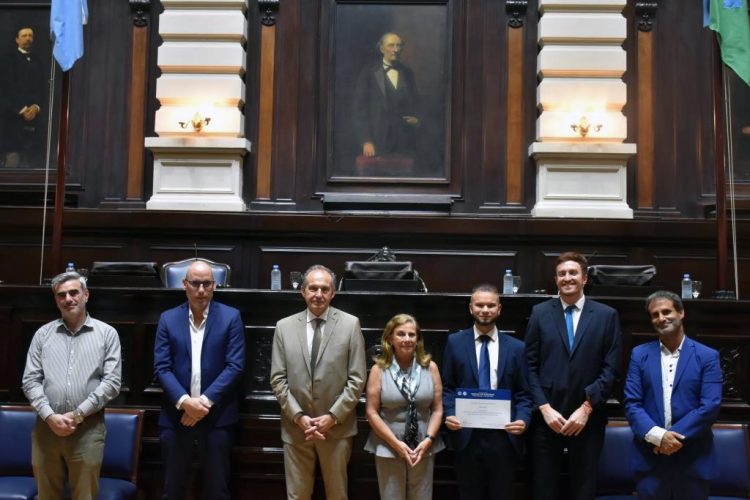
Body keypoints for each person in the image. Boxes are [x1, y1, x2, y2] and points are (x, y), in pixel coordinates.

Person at [524, 251, 622, 500]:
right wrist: (544, 408)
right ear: (556, 280)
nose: (567, 278)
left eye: (572, 273)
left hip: (588, 419)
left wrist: (586, 408)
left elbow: (611, 369)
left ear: (584, 278)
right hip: (547, 419)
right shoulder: (540, 313)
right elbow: (529, 366)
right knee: (543, 489)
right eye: (561, 274)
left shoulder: (606, 315)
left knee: (583, 490)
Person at [22, 271, 122, 499]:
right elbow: (30, 380)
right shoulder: (42, 335)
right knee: (47, 496)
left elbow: (112, 383)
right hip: (46, 429)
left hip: (87, 430)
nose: (68, 299)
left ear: (86, 295)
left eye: (74, 292)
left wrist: (77, 415)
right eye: (61, 295)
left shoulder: (107, 334)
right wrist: (49, 416)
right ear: (56, 300)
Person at [270, 264, 366, 500]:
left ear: (333, 293)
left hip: (336, 429)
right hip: (296, 429)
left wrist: (332, 417)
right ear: (303, 291)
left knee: (337, 495)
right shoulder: (283, 327)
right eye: (313, 288)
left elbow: (357, 379)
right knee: (297, 496)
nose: (318, 294)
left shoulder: (350, 324)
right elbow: (278, 379)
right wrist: (299, 416)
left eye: (325, 289)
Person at [154, 260, 245, 500]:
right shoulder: (168, 319)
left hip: (217, 417)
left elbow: (235, 366)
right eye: (195, 283)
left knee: (217, 490)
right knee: (172, 490)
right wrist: (186, 403)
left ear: (214, 285)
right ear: (184, 284)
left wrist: (201, 404)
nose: (201, 290)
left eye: (207, 284)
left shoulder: (231, 317)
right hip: (176, 418)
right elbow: (162, 367)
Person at [624, 290, 722, 500]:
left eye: (666, 311)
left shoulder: (707, 356)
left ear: (681, 313)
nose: (661, 318)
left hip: (693, 461)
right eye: (655, 315)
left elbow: (710, 406)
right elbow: (632, 404)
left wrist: (669, 439)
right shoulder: (639, 355)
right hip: (651, 462)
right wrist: (658, 437)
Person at [441, 284, 533, 500]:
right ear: (470, 308)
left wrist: (523, 419)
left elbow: (524, 393)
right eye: (479, 305)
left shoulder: (517, 347)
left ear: (499, 309)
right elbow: (447, 387)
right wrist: (450, 413)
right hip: (466, 435)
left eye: (490, 305)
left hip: (504, 437)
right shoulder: (455, 343)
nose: (485, 310)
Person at [364, 314, 444, 500]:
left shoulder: (430, 367)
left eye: (412, 334)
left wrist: (429, 439)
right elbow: (371, 412)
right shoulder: (378, 370)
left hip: (423, 445)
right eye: (401, 334)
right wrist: (396, 444)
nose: (407, 339)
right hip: (388, 445)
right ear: (390, 339)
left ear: (417, 339)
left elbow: (438, 409)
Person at [353, 32, 420, 158]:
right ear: (381, 48)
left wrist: (417, 120)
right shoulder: (368, 72)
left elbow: (416, 103)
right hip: (378, 140)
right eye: (391, 45)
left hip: (404, 140)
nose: (396, 49)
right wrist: (366, 140)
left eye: (399, 45)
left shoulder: (407, 73)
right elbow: (359, 110)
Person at [2, 27, 46, 168]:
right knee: (13, 163)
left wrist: (36, 107)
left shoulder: (38, 61)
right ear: (17, 39)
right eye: (24, 35)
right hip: (12, 120)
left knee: (33, 164)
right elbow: (5, 89)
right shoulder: (7, 60)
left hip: (35, 122)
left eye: (30, 35)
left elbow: (43, 89)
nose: (28, 38)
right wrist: (23, 109)